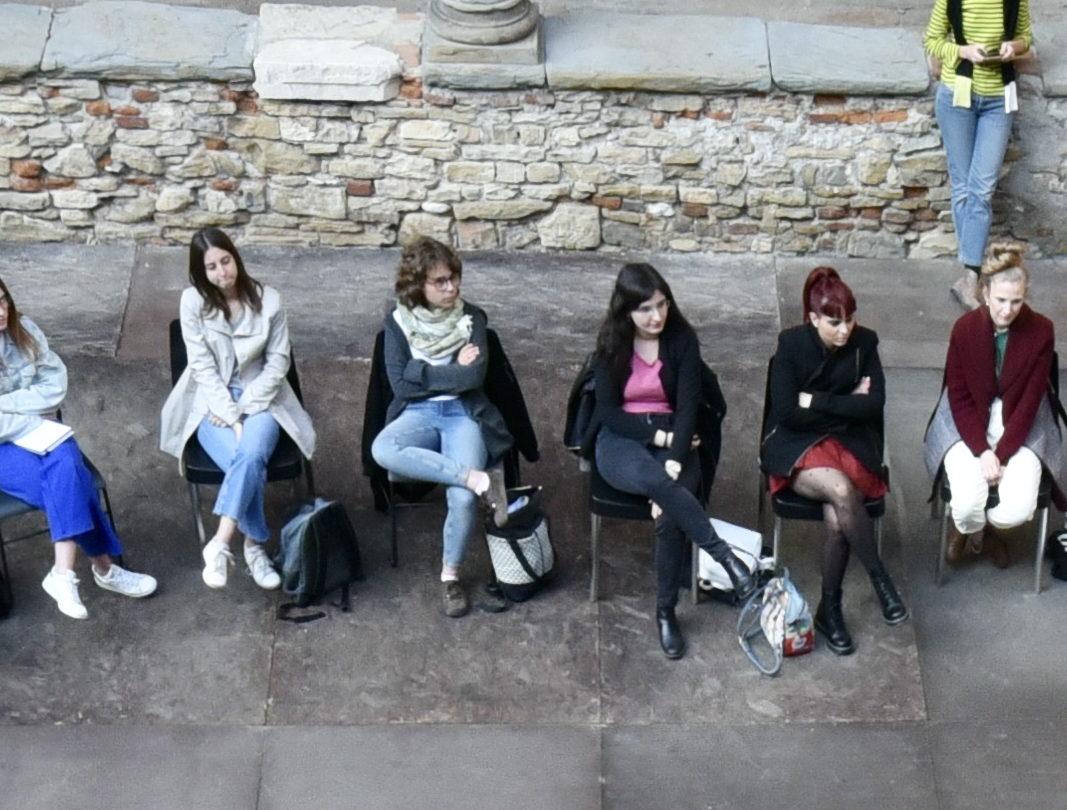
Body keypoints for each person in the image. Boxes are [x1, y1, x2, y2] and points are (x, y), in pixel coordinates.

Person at [0, 261, 165, 618]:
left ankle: (63, 573)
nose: (1, 311)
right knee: (72, 479)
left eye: (3, 300)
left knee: (65, 471)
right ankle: (104, 569)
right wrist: (30, 416)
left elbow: (55, 385)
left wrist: (6, 405)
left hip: (45, 432)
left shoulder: (23, 328)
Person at [568, 262, 752, 661]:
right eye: (646, 309)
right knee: (659, 485)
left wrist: (674, 453)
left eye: (662, 305)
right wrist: (659, 439)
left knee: (669, 515)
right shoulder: (611, 343)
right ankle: (726, 558)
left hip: (680, 435)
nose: (657, 316)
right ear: (626, 311)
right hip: (622, 441)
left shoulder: (682, 340)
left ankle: (665, 611)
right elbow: (612, 414)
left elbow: (688, 410)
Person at [358, 234, 540, 616]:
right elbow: (399, 385)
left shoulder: (473, 317)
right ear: (418, 285)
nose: (451, 286)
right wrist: (450, 368)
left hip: (463, 414)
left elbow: (471, 380)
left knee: (458, 498)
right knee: (383, 449)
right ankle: (479, 479)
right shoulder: (397, 324)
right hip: (418, 414)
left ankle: (450, 577)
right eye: (440, 281)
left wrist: (425, 371)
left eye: (454, 277)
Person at [157, 225, 313, 601]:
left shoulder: (270, 300)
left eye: (226, 261)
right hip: (210, 404)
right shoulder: (192, 302)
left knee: (250, 452)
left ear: (236, 258)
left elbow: (278, 365)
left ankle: (221, 541)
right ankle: (255, 546)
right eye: (211, 267)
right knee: (246, 462)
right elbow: (202, 369)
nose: (222, 272)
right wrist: (228, 414)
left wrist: (243, 411)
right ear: (201, 272)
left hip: (263, 398)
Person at [751, 264, 898, 654]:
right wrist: (851, 403)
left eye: (849, 320)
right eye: (834, 322)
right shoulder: (791, 345)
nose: (845, 330)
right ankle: (880, 580)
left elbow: (876, 404)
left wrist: (817, 401)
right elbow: (786, 414)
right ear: (813, 318)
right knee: (839, 488)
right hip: (798, 447)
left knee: (837, 520)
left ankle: (829, 609)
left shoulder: (865, 344)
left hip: (848, 445)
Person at [938, 240, 1062, 561]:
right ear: (984, 293)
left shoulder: (1041, 331)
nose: (1007, 310)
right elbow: (959, 396)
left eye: (1017, 301)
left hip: (1019, 423)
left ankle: (988, 530)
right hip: (967, 420)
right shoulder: (963, 329)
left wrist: (1003, 454)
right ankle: (969, 528)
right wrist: (982, 451)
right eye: (1001, 300)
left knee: (1018, 510)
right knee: (964, 506)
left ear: (1026, 295)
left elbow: (1030, 402)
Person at [923, 0, 1028, 275]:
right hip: (959, 95)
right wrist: (964, 50)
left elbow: (1026, 36)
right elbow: (933, 41)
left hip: (999, 96)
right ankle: (972, 271)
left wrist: (1013, 48)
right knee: (964, 185)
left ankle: (969, 270)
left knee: (982, 188)